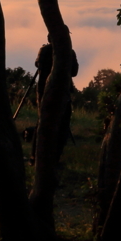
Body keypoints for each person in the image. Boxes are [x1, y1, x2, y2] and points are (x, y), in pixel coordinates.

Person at [33, 29, 79, 163]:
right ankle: (55, 158)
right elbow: (74, 72)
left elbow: (38, 64)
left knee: (42, 123)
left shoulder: (44, 50)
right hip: (63, 92)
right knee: (62, 124)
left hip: (44, 91)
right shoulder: (70, 53)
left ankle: (35, 157)